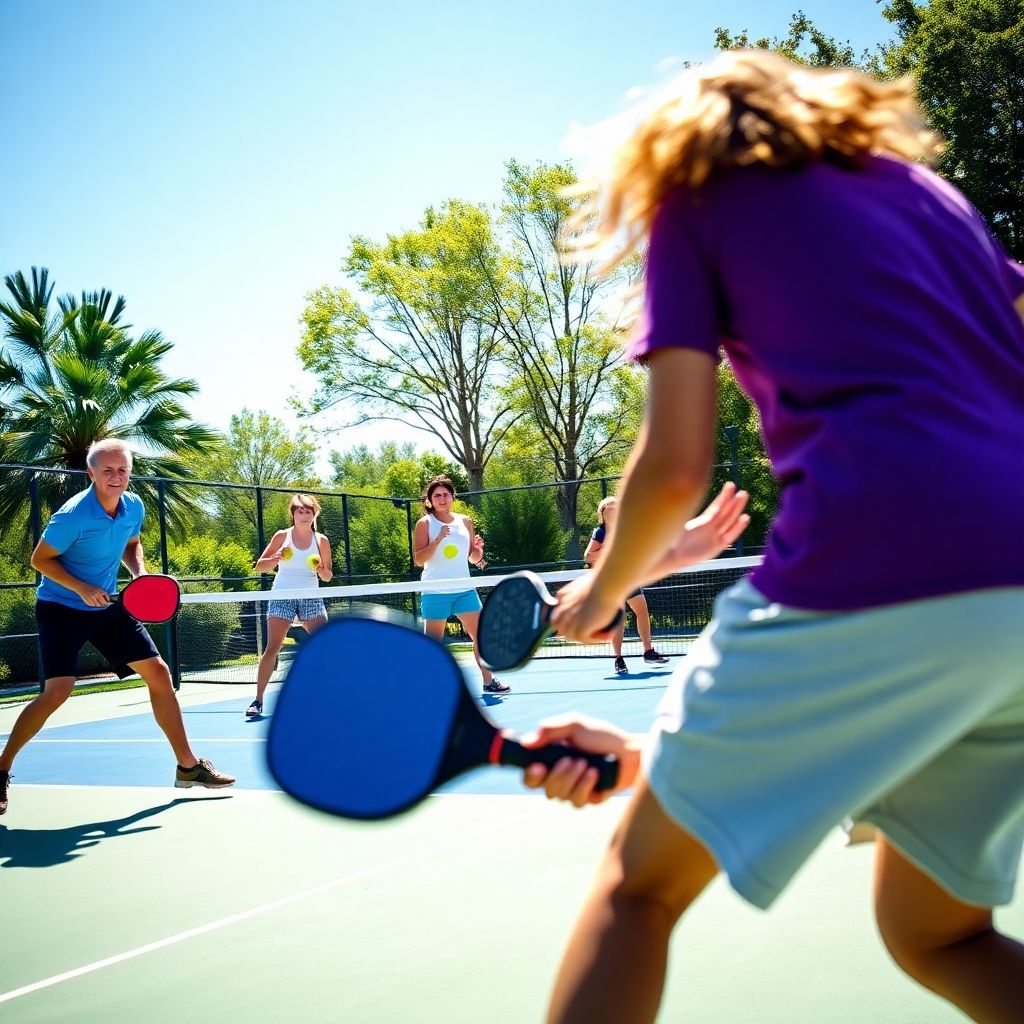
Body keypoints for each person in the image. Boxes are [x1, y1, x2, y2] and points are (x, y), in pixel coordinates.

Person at [519, 51, 1024, 1023]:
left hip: (878, 555)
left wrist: (599, 593)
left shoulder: (698, 202)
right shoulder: (926, 194)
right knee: (941, 933)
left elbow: (673, 466)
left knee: (638, 887)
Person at [0, 439, 235, 815]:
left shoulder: (133, 506)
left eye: (122, 470)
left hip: (108, 606)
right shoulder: (73, 515)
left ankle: (188, 767)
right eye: (107, 470)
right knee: (58, 691)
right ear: (90, 473)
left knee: (158, 673)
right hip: (61, 608)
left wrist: (139, 572)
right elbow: (40, 560)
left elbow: (132, 544)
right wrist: (81, 587)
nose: (116, 477)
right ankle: (1, 768)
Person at [413, 475, 509, 695]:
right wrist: (437, 541)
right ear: (430, 500)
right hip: (436, 592)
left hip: (464, 591)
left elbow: (472, 559)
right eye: (436, 495)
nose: (442, 498)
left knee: (481, 637)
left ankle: (488, 681)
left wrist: (478, 552)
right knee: (433, 645)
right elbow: (419, 560)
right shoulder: (425, 524)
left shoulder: (465, 521)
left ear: (452, 497)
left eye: (445, 494)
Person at [247, 494, 333, 717]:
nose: (304, 515)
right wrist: (276, 557)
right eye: (300, 511)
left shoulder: (321, 540)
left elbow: (328, 577)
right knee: (272, 648)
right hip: (282, 594)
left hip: (310, 596)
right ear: (293, 514)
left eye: (308, 511)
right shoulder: (281, 536)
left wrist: (321, 569)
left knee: (325, 646)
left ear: (314, 515)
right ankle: (258, 700)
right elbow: (260, 567)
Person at [583, 496, 668, 674]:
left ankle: (648, 652)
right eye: (610, 508)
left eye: (617, 508)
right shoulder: (600, 532)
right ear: (603, 512)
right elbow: (588, 557)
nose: (614, 511)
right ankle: (619, 659)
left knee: (642, 610)